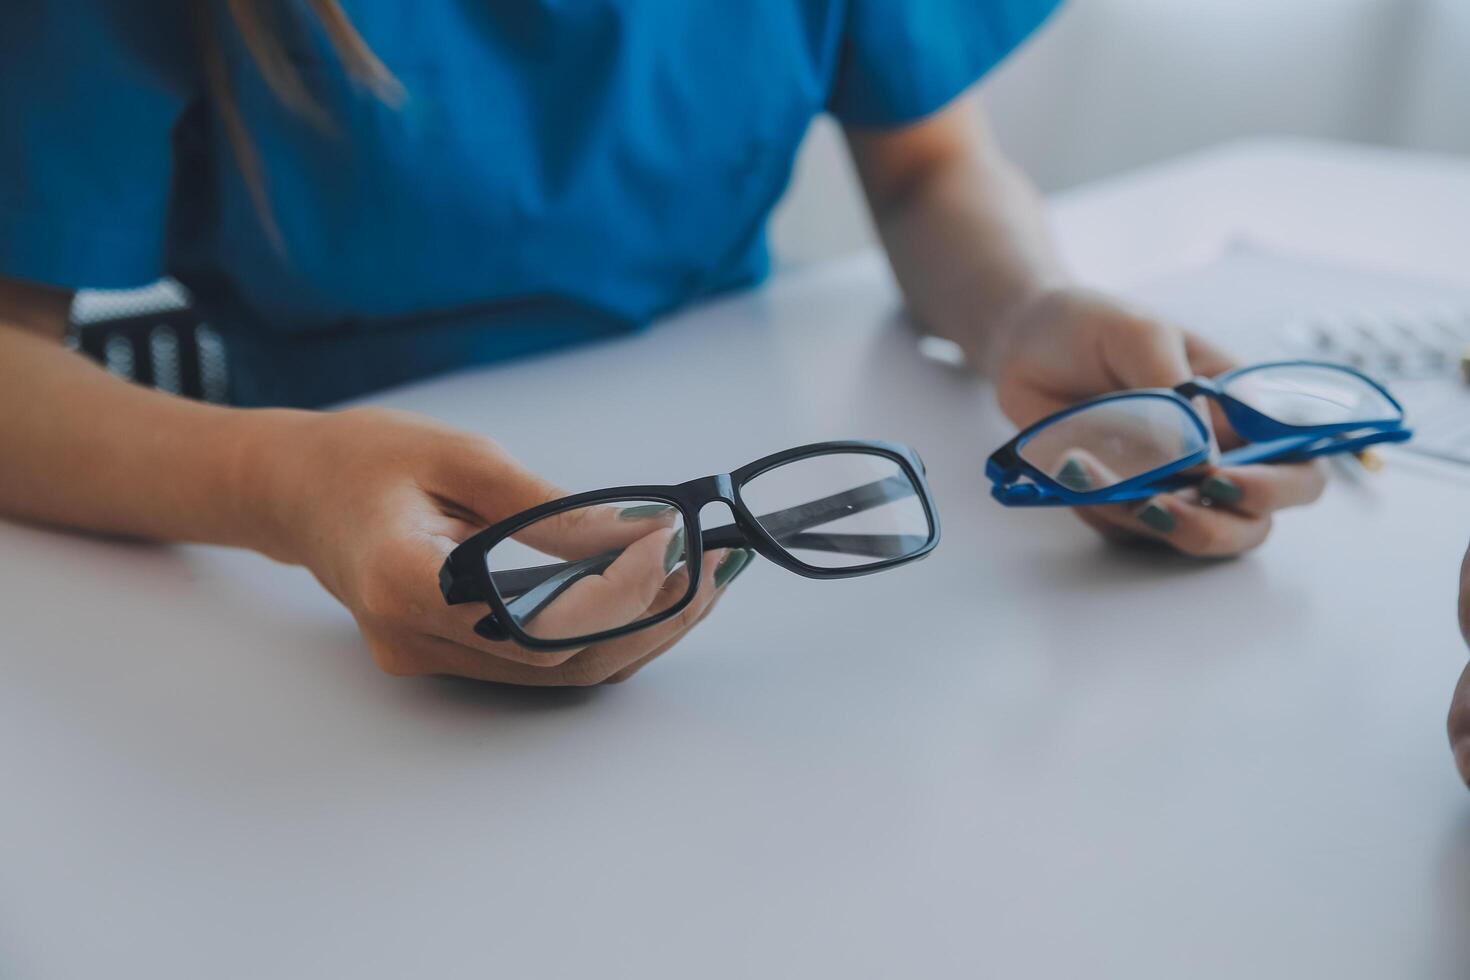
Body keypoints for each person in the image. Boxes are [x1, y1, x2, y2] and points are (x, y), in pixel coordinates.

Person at [0, 1, 1326, 686]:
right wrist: (275, 489)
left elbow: (927, 168)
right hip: (322, 592)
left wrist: (1025, 307)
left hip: (775, 491)